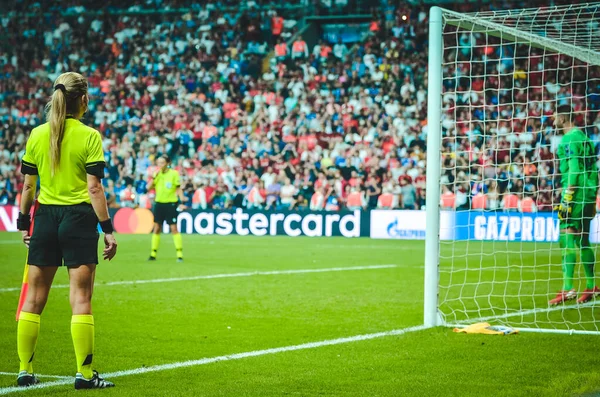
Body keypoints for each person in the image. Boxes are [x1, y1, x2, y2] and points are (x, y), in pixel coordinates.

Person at [16, 72, 117, 389]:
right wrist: (108, 229)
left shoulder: (37, 134)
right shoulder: (89, 136)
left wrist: (23, 222)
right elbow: (94, 188)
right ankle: (85, 375)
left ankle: (24, 370)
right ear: (83, 99)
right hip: (78, 219)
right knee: (81, 299)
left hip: (44, 218)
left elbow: (29, 185)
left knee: (33, 299)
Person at [550, 105, 600, 305]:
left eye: (555, 118)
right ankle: (591, 285)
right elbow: (593, 168)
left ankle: (568, 287)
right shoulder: (585, 139)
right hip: (588, 193)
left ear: (563, 118)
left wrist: (568, 195)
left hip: (576, 193)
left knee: (567, 237)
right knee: (583, 240)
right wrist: (593, 193)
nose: (553, 122)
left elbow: (574, 168)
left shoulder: (569, 139)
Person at [147, 155, 185, 262]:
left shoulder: (174, 174)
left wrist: (181, 202)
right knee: (157, 228)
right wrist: (154, 177)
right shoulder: (156, 174)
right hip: (159, 203)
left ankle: (179, 254)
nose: (160, 165)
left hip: (171, 204)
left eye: (162, 163)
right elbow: (148, 187)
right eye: (158, 163)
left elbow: (178, 189)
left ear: (168, 163)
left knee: (174, 228)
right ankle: (153, 254)